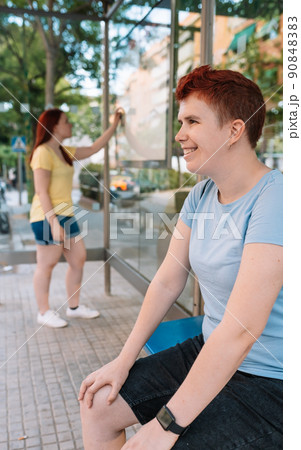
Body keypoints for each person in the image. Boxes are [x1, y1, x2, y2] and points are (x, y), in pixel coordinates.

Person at [79, 66, 283, 449]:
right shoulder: (201, 196)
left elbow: (241, 329)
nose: (179, 134)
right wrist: (123, 360)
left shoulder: (278, 199)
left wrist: (166, 426)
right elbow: (168, 280)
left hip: (274, 380)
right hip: (211, 351)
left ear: (235, 130)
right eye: (180, 121)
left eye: (192, 121)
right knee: (98, 404)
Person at [30, 107, 123, 328]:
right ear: (54, 126)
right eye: (66, 121)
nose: (70, 124)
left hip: (66, 213)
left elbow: (93, 148)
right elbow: (42, 191)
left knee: (78, 258)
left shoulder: (64, 151)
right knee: (47, 264)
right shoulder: (43, 152)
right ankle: (43, 312)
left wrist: (115, 124)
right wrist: (53, 223)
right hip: (46, 215)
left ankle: (74, 307)